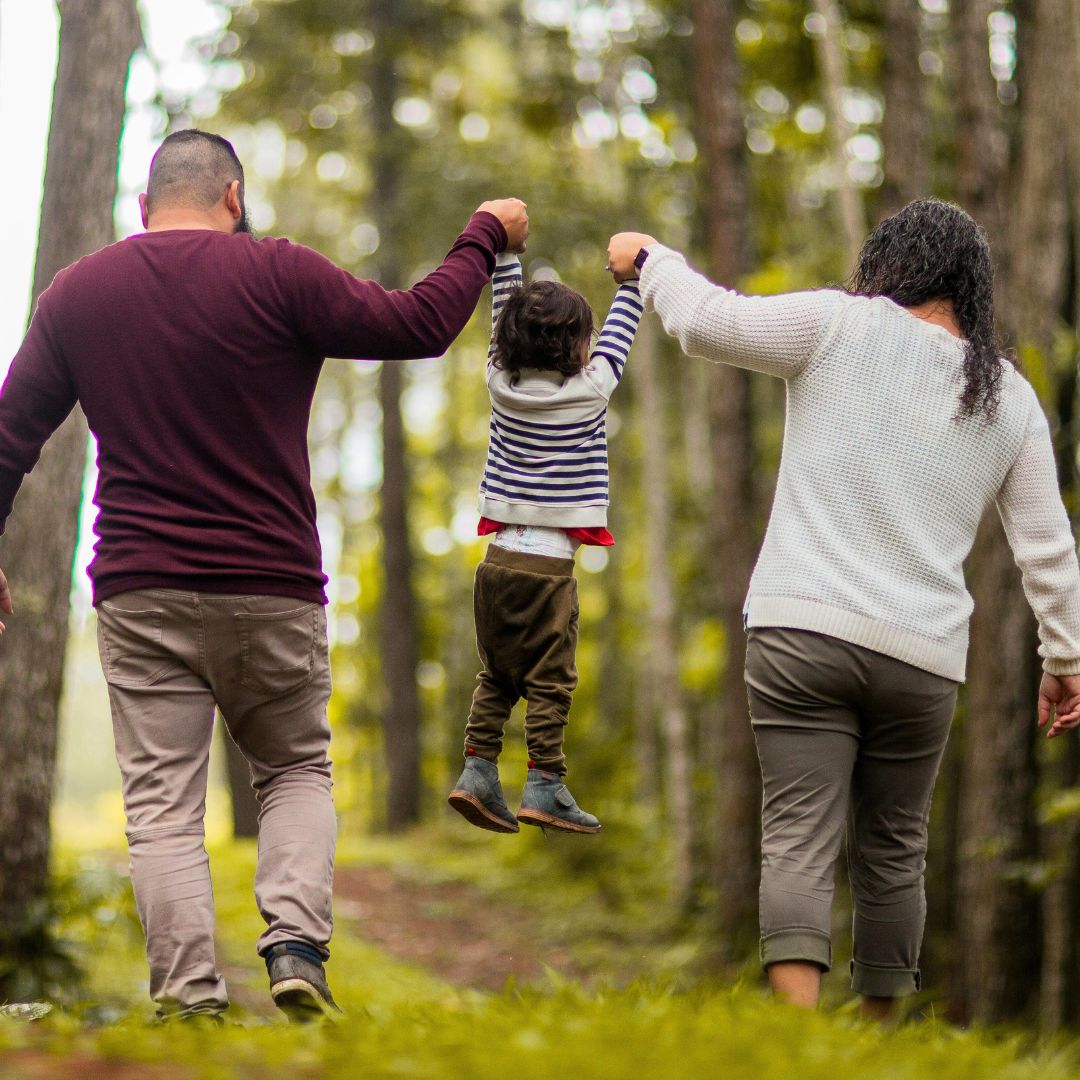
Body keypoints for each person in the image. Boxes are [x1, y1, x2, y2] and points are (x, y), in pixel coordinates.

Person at [0, 128, 528, 1022]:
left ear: (145, 206)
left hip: (140, 587)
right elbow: (420, 324)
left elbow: (10, 435)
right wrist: (482, 231)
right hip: (272, 583)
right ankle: (294, 948)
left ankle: (189, 1001)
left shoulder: (79, 293)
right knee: (293, 769)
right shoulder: (278, 272)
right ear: (233, 198)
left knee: (161, 807)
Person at [606, 199, 1080, 1018]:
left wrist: (651, 259)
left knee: (798, 834)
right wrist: (1065, 661)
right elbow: (1048, 548)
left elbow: (706, 322)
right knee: (896, 852)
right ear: (973, 288)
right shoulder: (1009, 398)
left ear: (889, 265)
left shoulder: (836, 325)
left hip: (802, 633)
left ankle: (799, 1043)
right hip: (922, 658)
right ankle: (874, 1043)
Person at [447, 251, 643, 834]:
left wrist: (506, 255)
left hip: (497, 563)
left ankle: (478, 769)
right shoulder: (592, 391)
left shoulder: (498, 384)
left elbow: (498, 315)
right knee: (550, 680)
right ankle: (545, 783)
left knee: (498, 675)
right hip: (548, 571)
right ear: (578, 347)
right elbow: (622, 329)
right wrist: (632, 279)